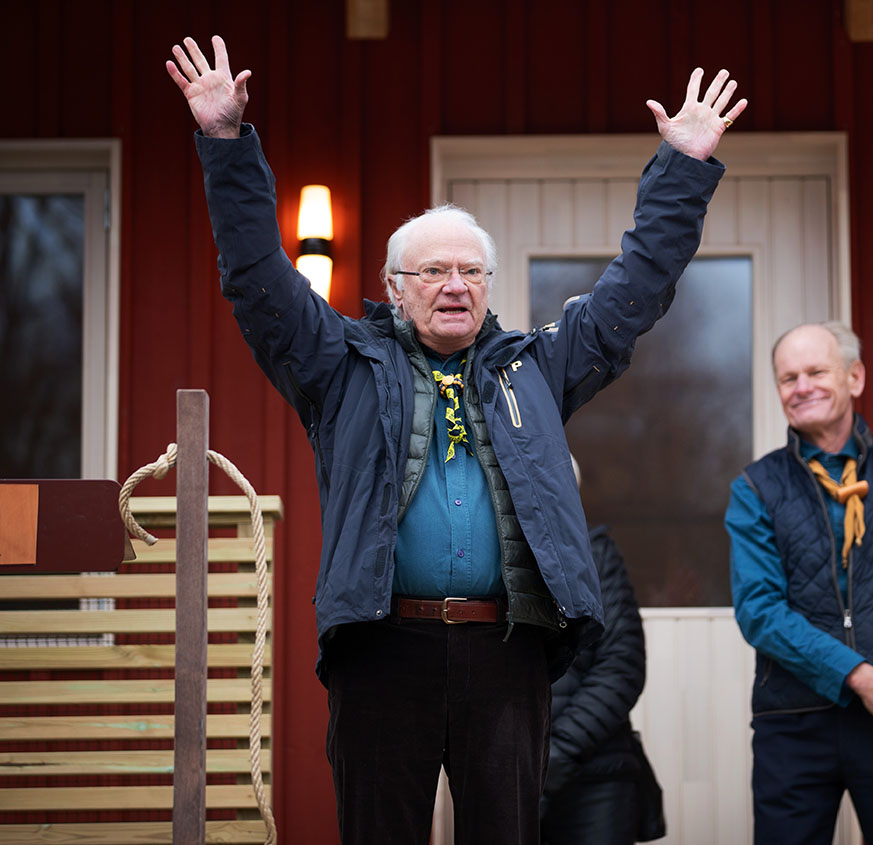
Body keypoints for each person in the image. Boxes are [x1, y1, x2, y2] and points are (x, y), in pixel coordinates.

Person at [167, 34, 746, 844]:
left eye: (472, 272)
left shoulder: (535, 369)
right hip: (382, 651)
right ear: (396, 292)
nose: (454, 286)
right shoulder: (341, 368)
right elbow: (260, 279)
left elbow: (635, 291)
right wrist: (226, 144)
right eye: (434, 271)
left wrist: (682, 167)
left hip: (506, 653)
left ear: (488, 289)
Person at [726, 321, 873, 845]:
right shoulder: (755, 486)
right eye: (788, 378)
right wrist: (860, 676)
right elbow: (760, 611)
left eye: (816, 372)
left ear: (855, 377)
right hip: (793, 720)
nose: (801, 387)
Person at [540, 523, 651, 845]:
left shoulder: (594, 552)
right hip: (510, 778)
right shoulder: (483, 560)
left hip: (596, 777)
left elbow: (622, 666)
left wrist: (556, 756)